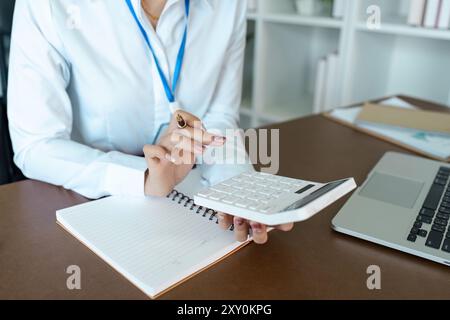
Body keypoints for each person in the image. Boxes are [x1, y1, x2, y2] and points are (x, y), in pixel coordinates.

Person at [8, 0, 293, 244]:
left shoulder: (229, 5)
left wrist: (236, 185)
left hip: (185, 203)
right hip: (87, 204)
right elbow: (36, 144)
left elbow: (220, 116)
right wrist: (142, 176)